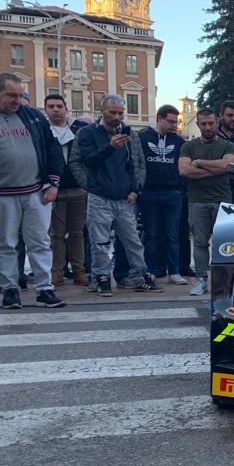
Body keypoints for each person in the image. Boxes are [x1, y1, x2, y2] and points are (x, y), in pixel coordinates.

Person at [72, 95, 162, 296]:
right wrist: (109, 147)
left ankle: (139, 275)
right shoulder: (87, 133)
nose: (117, 116)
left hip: (124, 197)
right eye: (112, 112)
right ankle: (101, 278)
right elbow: (88, 160)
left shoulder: (128, 133)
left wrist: (134, 189)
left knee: (133, 240)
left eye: (120, 112)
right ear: (102, 110)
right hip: (99, 196)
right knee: (100, 242)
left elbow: (133, 163)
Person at [0, 73, 66, 309]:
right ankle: (9, 289)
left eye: (20, 95)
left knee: (39, 241)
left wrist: (53, 182)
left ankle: (45, 289)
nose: (16, 100)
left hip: (36, 190)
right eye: (11, 95)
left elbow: (52, 148)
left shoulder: (33, 117)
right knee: (6, 243)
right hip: (4, 194)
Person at [179, 108, 234, 296]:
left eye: (211, 123)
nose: (208, 127)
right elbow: (185, 171)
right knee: (200, 242)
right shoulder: (188, 146)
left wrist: (200, 162)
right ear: (198, 125)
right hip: (197, 201)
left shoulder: (227, 145)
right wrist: (216, 169)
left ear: (217, 123)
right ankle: (201, 280)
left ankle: (222, 282)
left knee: (224, 243)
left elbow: (228, 165)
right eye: (203, 124)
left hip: (222, 200)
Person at [138, 104, 187, 284]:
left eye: (176, 121)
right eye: (171, 121)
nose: (174, 125)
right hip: (149, 192)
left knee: (172, 234)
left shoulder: (179, 142)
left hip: (172, 193)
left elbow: (184, 165)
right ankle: (150, 270)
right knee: (150, 233)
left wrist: (180, 188)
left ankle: (174, 271)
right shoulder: (142, 138)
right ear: (159, 118)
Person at [43, 94, 90, 286]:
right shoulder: (42, 130)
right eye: (51, 106)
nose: (55, 109)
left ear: (66, 108)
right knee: (57, 235)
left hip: (78, 189)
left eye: (59, 106)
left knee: (77, 233)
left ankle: (79, 271)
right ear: (46, 109)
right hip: (54, 191)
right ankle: (57, 272)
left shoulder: (80, 129)